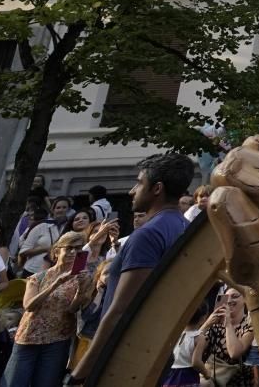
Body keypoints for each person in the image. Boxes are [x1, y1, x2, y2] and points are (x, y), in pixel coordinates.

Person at [68, 152, 194, 385]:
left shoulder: (147, 235)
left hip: (123, 361)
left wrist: (80, 374)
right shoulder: (185, 229)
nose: (131, 190)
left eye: (139, 183)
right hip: (157, 352)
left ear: (156, 188)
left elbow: (121, 310)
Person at [2, 231, 95, 387]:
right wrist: (55, 284)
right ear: (57, 251)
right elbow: (29, 306)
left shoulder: (82, 278)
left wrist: (81, 289)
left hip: (57, 341)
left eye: (78, 249)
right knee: (14, 382)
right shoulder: (38, 277)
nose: (74, 252)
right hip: (29, 338)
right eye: (69, 248)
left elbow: (72, 310)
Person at [191, 286, 254, 387]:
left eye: (235, 296)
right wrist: (207, 324)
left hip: (237, 381)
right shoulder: (216, 325)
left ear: (245, 300)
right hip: (210, 377)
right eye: (227, 297)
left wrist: (228, 324)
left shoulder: (249, 325)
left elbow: (234, 353)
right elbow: (191, 348)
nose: (229, 300)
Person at [12, 200, 57, 277]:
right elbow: (22, 250)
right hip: (31, 268)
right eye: (30, 218)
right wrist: (44, 249)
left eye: (32, 218)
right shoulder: (37, 228)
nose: (30, 219)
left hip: (50, 271)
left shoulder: (54, 228)